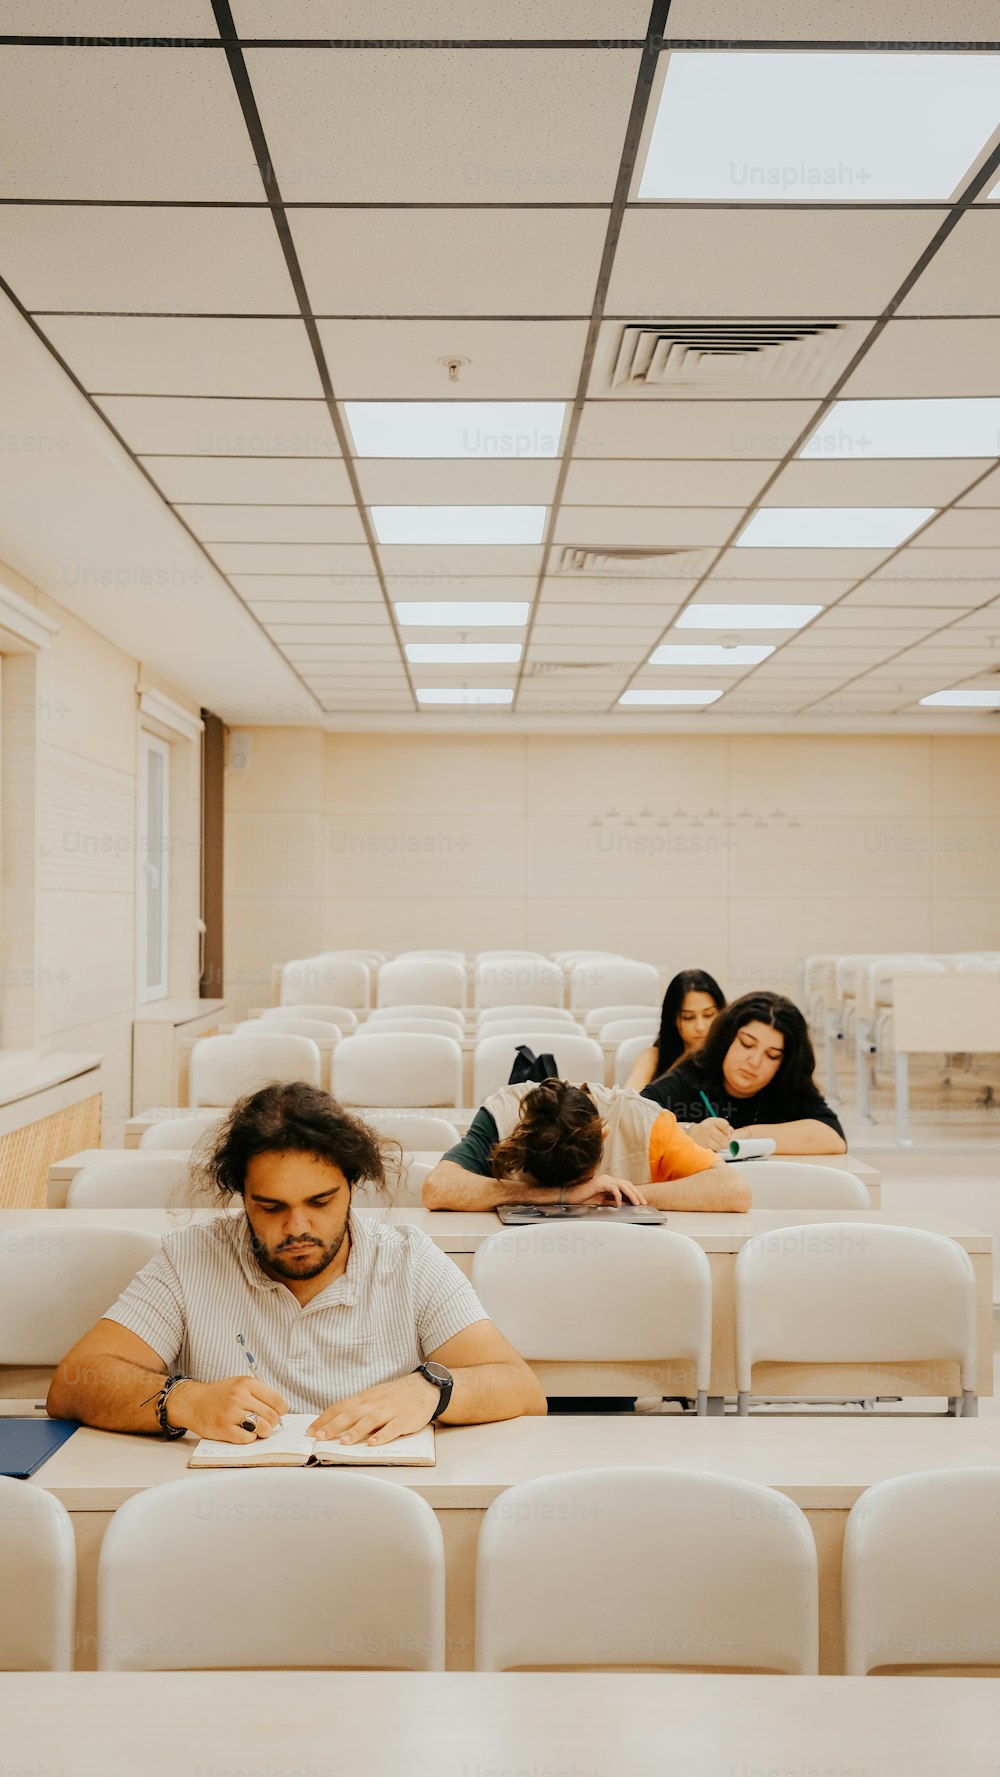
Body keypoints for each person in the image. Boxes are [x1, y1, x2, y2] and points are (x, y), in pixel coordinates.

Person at [47, 1082, 545, 1446]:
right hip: (224, 1510)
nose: (297, 1229)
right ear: (241, 1196)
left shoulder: (410, 1260)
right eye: (271, 1207)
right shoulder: (191, 1257)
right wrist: (185, 1400)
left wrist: (432, 1391)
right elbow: (75, 1382)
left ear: (352, 1186)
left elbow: (520, 1387)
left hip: (381, 1505)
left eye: (321, 1202)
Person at [423, 1077, 750, 1213]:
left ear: (604, 1135)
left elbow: (735, 1191)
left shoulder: (645, 1123)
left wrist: (616, 1194)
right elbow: (438, 1188)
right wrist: (562, 1196)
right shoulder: (503, 1113)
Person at [642, 990, 846, 1154]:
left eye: (772, 1055)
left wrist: (747, 1136)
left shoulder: (786, 1086)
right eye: (747, 1044)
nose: (755, 1061)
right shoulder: (693, 1076)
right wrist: (689, 1132)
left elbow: (833, 1137)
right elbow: (630, 1121)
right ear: (727, 1038)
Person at [624, 968, 726, 1092]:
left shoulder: (731, 1055)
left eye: (709, 1015)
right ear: (674, 1020)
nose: (700, 1027)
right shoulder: (653, 1057)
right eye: (688, 1017)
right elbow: (627, 1101)